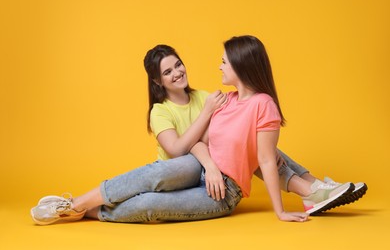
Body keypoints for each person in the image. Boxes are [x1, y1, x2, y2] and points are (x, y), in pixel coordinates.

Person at [31, 37, 366, 225]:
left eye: (178, 64)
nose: (178, 72)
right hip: (184, 168)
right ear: (157, 81)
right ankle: (73, 204)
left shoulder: (219, 97)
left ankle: (315, 188)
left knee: (151, 203)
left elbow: (262, 153)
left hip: (218, 181)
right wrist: (209, 162)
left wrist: (283, 200)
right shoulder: (165, 111)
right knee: (157, 176)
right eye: (168, 71)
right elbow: (183, 148)